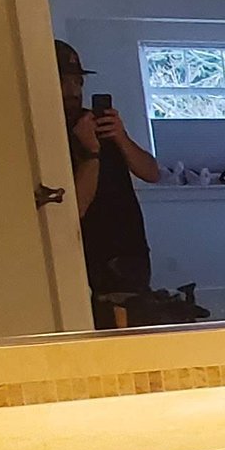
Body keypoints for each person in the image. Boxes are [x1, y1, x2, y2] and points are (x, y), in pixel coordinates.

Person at [56, 39, 163, 325]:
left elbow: (152, 173)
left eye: (77, 82)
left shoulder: (95, 123)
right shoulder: (49, 140)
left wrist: (120, 137)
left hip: (131, 257)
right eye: (64, 82)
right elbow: (72, 208)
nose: (73, 91)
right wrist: (91, 151)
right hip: (92, 265)